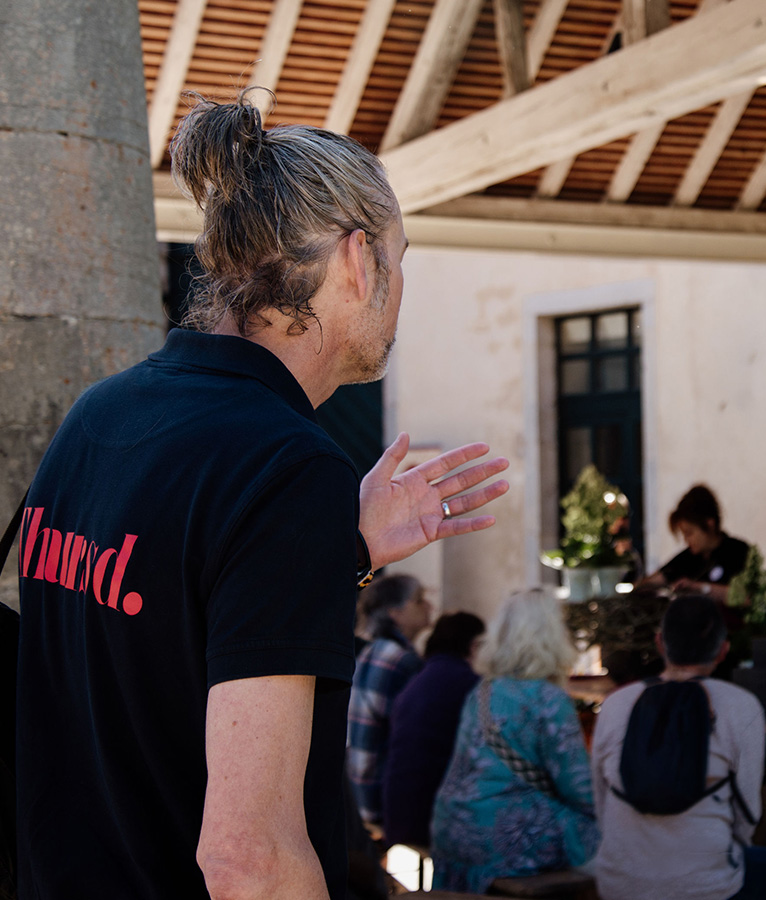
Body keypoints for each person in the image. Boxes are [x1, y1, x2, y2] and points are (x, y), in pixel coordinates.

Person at [14, 88, 509, 900]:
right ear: (357, 260)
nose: (401, 286)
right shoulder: (285, 468)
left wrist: (338, 552)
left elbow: (161, 646)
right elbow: (250, 859)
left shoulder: (100, 414)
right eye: (401, 258)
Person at [591, 595, 766, 900]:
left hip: (618, 883)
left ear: (660, 643)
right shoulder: (742, 706)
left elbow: (601, 802)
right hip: (707, 886)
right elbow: (748, 817)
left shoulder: (615, 704)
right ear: (723, 650)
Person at [431, 589, 599, 893]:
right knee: (611, 835)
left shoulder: (482, 691)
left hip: (452, 827)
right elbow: (579, 790)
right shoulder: (549, 700)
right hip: (499, 835)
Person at [381, 610, 486, 847]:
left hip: (397, 814)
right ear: (474, 645)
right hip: (432, 820)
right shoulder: (467, 684)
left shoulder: (420, 678)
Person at [347, 573, 432, 834]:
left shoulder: (373, 651)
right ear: (395, 612)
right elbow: (412, 740)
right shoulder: (399, 661)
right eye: (419, 600)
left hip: (357, 792)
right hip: (380, 797)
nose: (429, 606)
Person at [642, 485, 749, 604]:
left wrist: (700, 587)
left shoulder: (737, 551)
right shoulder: (688, 558)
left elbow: (746, 597)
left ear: (709, 524)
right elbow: (658, 578)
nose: (687, 540)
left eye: (689, 533)